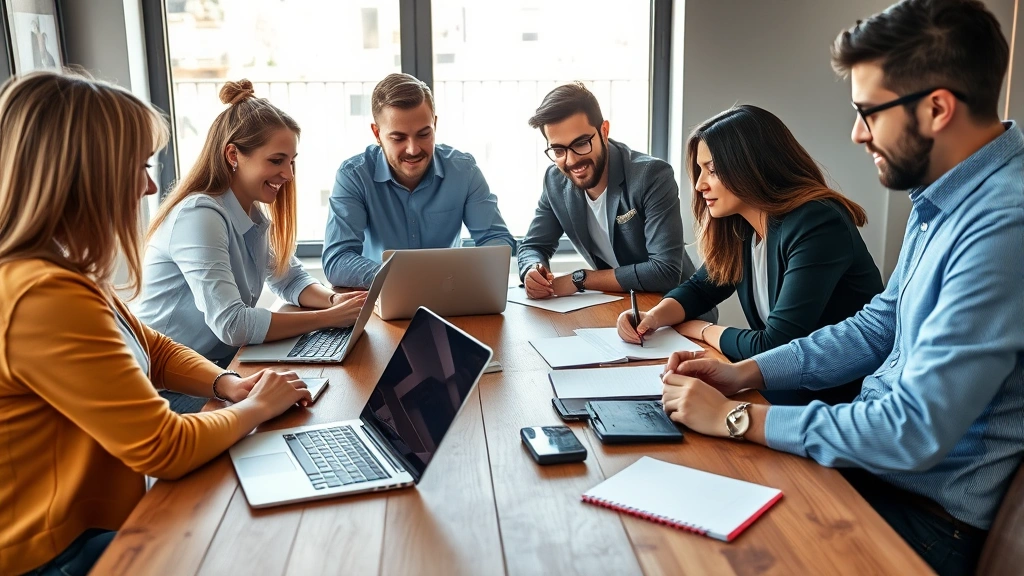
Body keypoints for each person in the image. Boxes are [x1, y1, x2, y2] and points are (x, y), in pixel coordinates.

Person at [659, 1, 1022, 574]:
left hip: (925, 518)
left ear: (937, 108)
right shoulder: (942, 203)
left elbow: (913, 429)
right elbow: (878, 325)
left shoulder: (1004, 225)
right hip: (875, 474)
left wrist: (736, 417)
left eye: (868, 112)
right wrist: (744, 375)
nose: (856, 134)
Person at [0, 71, 312, 576]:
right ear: (85, 173)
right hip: (54, 555)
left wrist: (227, 384)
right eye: (139, 166)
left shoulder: (60, 268)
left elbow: (156, 348)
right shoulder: (42, 294)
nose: (149, 185)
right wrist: (257, 406)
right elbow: (164, 447)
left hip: (94, 525)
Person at [617, 105, 883, 405]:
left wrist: (700, 329)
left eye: (713, 170)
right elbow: (701, 289)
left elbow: (776, 344)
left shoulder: (817, 222)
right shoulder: (743, 226)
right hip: (783, 384)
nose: (699, 184)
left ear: (751, 166)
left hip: (838, 396)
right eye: (700, 170)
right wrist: (652, 318)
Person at [136, 80, 366, 413]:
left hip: (217, 369)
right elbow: (234, 325)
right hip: (165, 388)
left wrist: (333, 300)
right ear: (233, 155)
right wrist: (327, 318)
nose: (288, 173)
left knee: (308, 399)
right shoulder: (199, 215)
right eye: (276, 161)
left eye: (291, 161)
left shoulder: (250, 213)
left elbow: (289, 279)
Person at [517, 82, 712, 314]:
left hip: (679, 312)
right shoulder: (555, 181)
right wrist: (533, 270)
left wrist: (581, 279)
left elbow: (664, 271)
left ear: (604, 131)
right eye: (558, 150)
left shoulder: (651, 175)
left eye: (580, 143)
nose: (570, 161)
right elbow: (533, 245)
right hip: (619, 309)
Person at [322, 73, 516, 288]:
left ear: (434, 124)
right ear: (377, 133)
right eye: (398, 138)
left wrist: (467, 274)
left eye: (424, 134)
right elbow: (337, 260)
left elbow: (496, 240)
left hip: (448, 294)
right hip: (382, 294)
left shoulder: (464, 171)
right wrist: (405, 278)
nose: (413, 149)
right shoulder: (354, 176)